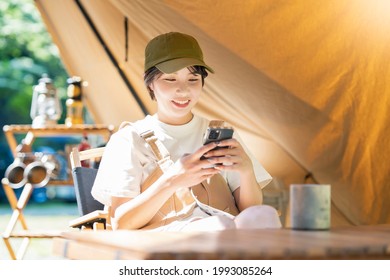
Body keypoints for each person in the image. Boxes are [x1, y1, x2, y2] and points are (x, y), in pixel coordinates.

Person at [91, 31, 281, 231]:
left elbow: (251, 211)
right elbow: (121, 224)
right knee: (219, 226)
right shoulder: (129, 140)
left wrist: (246, 170)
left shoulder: (220, 133)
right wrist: (172, 180)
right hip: (164, 245)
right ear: (150, 83)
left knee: (265, 215)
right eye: (170, 79)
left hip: (226, 238)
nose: (183, 90)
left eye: (193, 79)